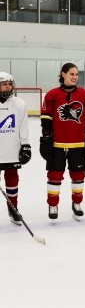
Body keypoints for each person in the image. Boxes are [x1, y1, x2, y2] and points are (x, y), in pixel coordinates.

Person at [39, 63, 85, 220]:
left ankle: (76, 203)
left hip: (78, 143)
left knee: (78, 175)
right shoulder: (52, 95)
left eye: (76, 74)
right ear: (63, 74)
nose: (74, 77)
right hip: (57, 144)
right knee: (54, 175)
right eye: (71, 74)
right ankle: (53, 204)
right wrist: (46, 137)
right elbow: (46, 118)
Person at [0, 72, 31, 225]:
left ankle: (13, 209)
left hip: (12, 149)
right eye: (4, 83)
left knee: (12, 179)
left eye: (10, 83)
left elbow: (23, 126)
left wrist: (25, 145)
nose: (8, 86)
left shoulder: (19, 103)